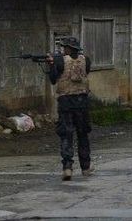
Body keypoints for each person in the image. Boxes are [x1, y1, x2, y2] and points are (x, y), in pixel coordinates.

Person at [47, 37, 93, 181]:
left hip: (66, 102)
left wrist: (51, 65)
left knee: (66, 135)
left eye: (64, 47)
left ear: (68, 48)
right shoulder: (86, 60)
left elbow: (53, 79)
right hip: (82, 102)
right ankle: (85, 167)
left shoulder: (60, 61)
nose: (63, 50)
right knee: (83, 134)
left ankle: (67, 167)